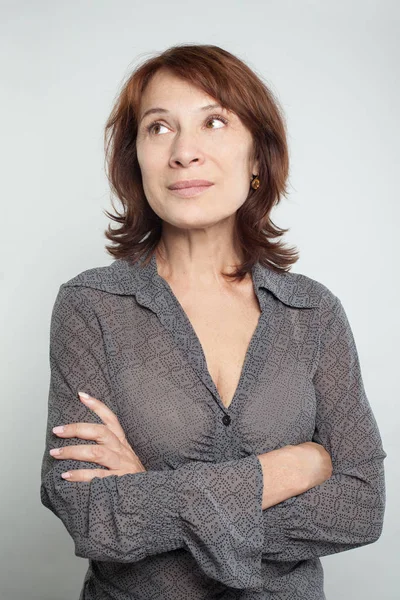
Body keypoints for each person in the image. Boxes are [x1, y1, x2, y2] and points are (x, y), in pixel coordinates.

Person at [40, 44, 387, 600]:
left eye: (215, 122)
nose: (184, 152)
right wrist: (290, 468)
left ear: (257, 159)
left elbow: (361, 507)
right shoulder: (91, 306)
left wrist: (152, 497)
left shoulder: (313, 313)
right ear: (136, 160)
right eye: (158, 128)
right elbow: (90, 516)